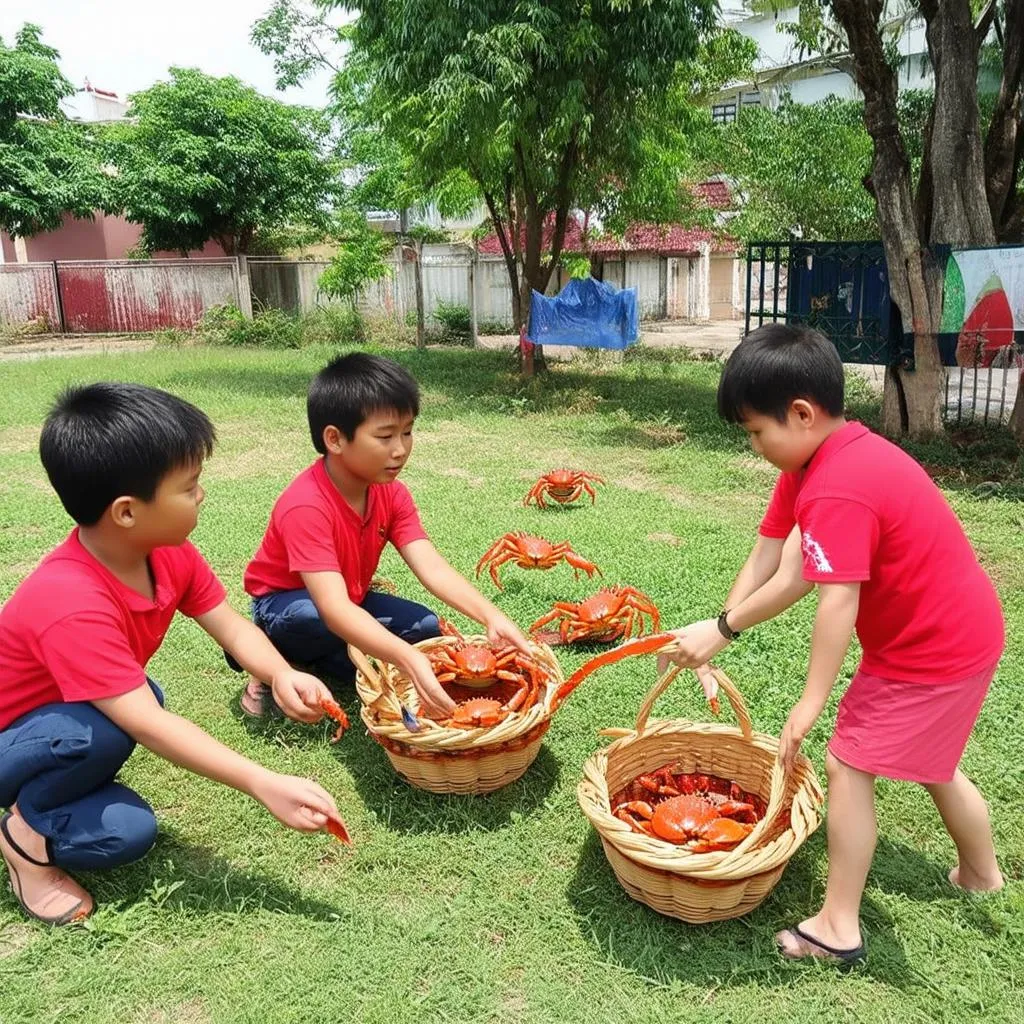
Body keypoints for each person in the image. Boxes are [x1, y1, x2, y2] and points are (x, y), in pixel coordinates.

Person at [662, 323, 1005, 965]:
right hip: (959, 634)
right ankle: (981, 875)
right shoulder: (818, 460)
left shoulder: (839, 485)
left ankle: (839, 925)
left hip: (928, 651)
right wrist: (718, 629)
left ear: (800, 413)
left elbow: (830, 597)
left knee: (848, 764)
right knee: (934, 763)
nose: (755, 445)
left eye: (756, 432)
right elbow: (770, 555)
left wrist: (808, 701)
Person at [0, 383, 347, 926]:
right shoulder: (70, 600)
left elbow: (231, 626)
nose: (201, 494)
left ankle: (41, 803)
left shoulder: (168, 554)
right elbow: (149, 727)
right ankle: (23, 840)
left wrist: (279, 672)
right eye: (188, 486)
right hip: (16, 741)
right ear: (127, 513)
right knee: (115, 724)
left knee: (128, 832)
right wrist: (261, 781)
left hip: (62, 725)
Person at [236, 353, 530, 719]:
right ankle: (268, 656)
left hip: (349, 600)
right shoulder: (306, 505)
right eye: (385, 435)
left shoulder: (391, 493)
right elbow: (333, 608)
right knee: (315, 623)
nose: (400, 449)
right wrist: (403, 656)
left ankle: (325, 662)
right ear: (335, 439)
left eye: (407, 432)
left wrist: (490, 615)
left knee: (425, 629)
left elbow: (431, 567)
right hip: (289, 606)